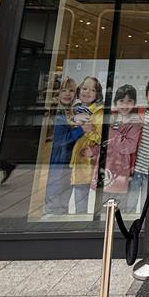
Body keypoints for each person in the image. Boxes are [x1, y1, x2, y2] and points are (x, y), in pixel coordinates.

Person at [91, 84, 142, 205]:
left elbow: (129, 147)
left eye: (129, 101)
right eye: (121, 101)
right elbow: (104, 143)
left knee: (118, 206)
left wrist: (111, 132)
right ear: (115, 102)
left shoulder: (135, 124)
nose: (125, 105)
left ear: (134, 103)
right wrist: (93, 151)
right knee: (102, 205)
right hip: (105, 168)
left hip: (121, 171)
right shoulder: (110, 120)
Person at [45, 77, 83, 214]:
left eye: (71, 91)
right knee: (56, 195)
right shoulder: (58, 113)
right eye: (63, 90)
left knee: (64, 194)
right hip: (59, 162)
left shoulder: (69, 111)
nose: (67, 94)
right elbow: (62, 140)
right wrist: (81, 129)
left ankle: (60, 215)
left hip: (67, 160)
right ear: (57, 93)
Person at [69, 77, 104, 214]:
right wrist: (74, 121)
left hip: (90, 160)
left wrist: (87, 130)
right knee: (79, 197)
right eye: (84, 88)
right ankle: (80, 220)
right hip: (76, 160)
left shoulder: (99, 112)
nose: (87, 92)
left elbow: (101, 136)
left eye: (92, 90)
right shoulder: (74, 110)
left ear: (97, 94)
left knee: (94, 197)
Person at [126, 78, 149, 213]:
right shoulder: (139, 115)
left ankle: (143, 225)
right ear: (146, 96)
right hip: (137, 168)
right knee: (130, 203)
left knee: (146, 204)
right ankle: (129, 224)